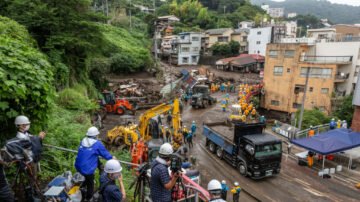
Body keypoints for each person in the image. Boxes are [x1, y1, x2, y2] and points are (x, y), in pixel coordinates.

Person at [75, 126, 114, 201]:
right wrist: (112, 158)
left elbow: (87, 153)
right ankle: (88, 198)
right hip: (87, 169)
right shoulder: (97, 143)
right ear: (96, 135)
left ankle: (81, 190)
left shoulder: (83, 140)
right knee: (90, 184)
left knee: (84, 179)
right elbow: (105, 154)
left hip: (78, 166)